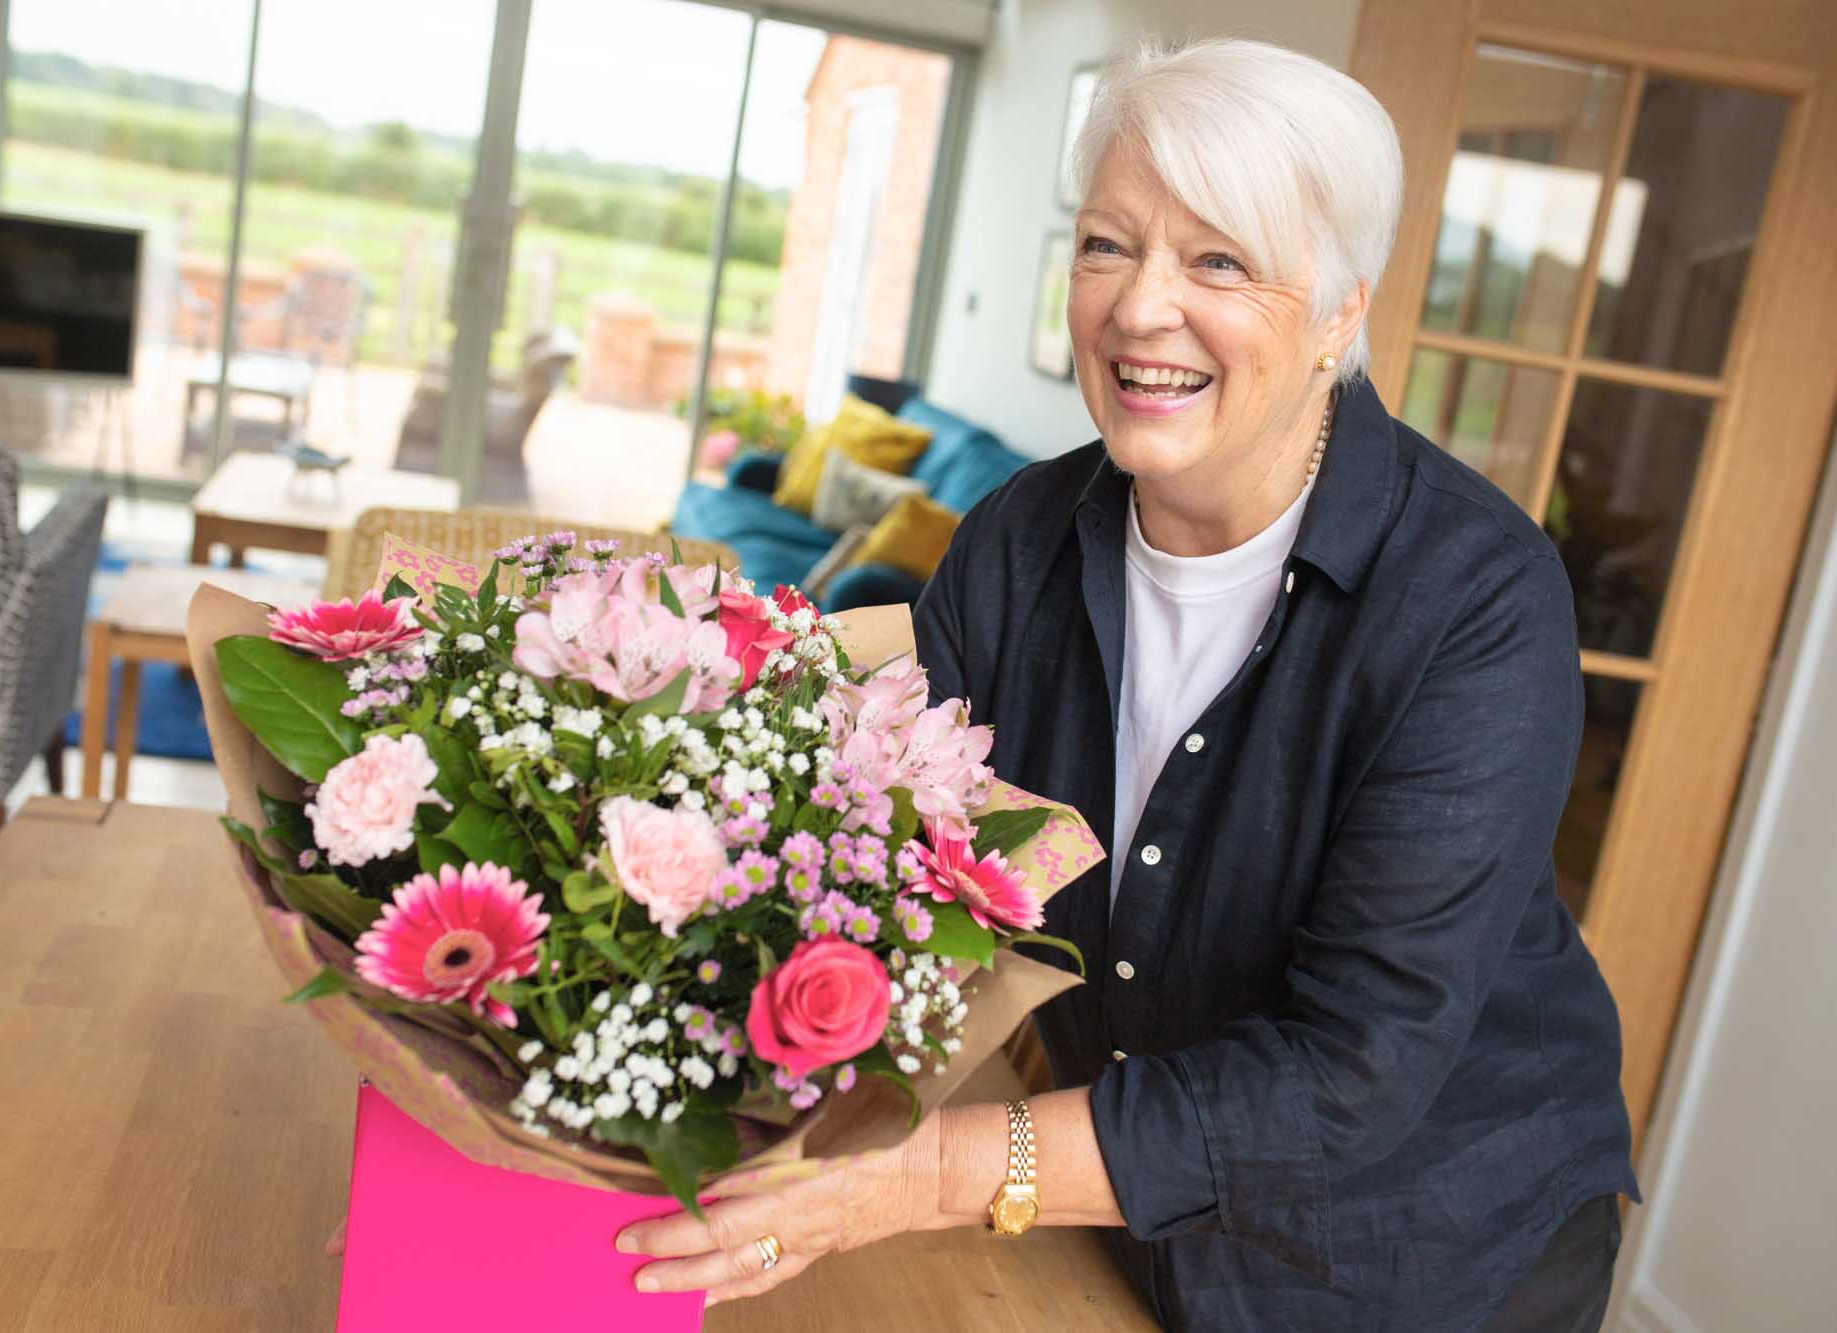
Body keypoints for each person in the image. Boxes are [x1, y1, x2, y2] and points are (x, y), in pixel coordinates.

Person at [614, 36, 1639, 1330]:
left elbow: (1347, 1073)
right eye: (1108, 245)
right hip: (1116, 1216)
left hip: (1416, 1258)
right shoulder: (1019, 540)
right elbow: (886, 821)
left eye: (1218, 259)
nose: (1140, 308)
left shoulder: (1475, 599)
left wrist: (918, 1171)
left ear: (1338, 312)